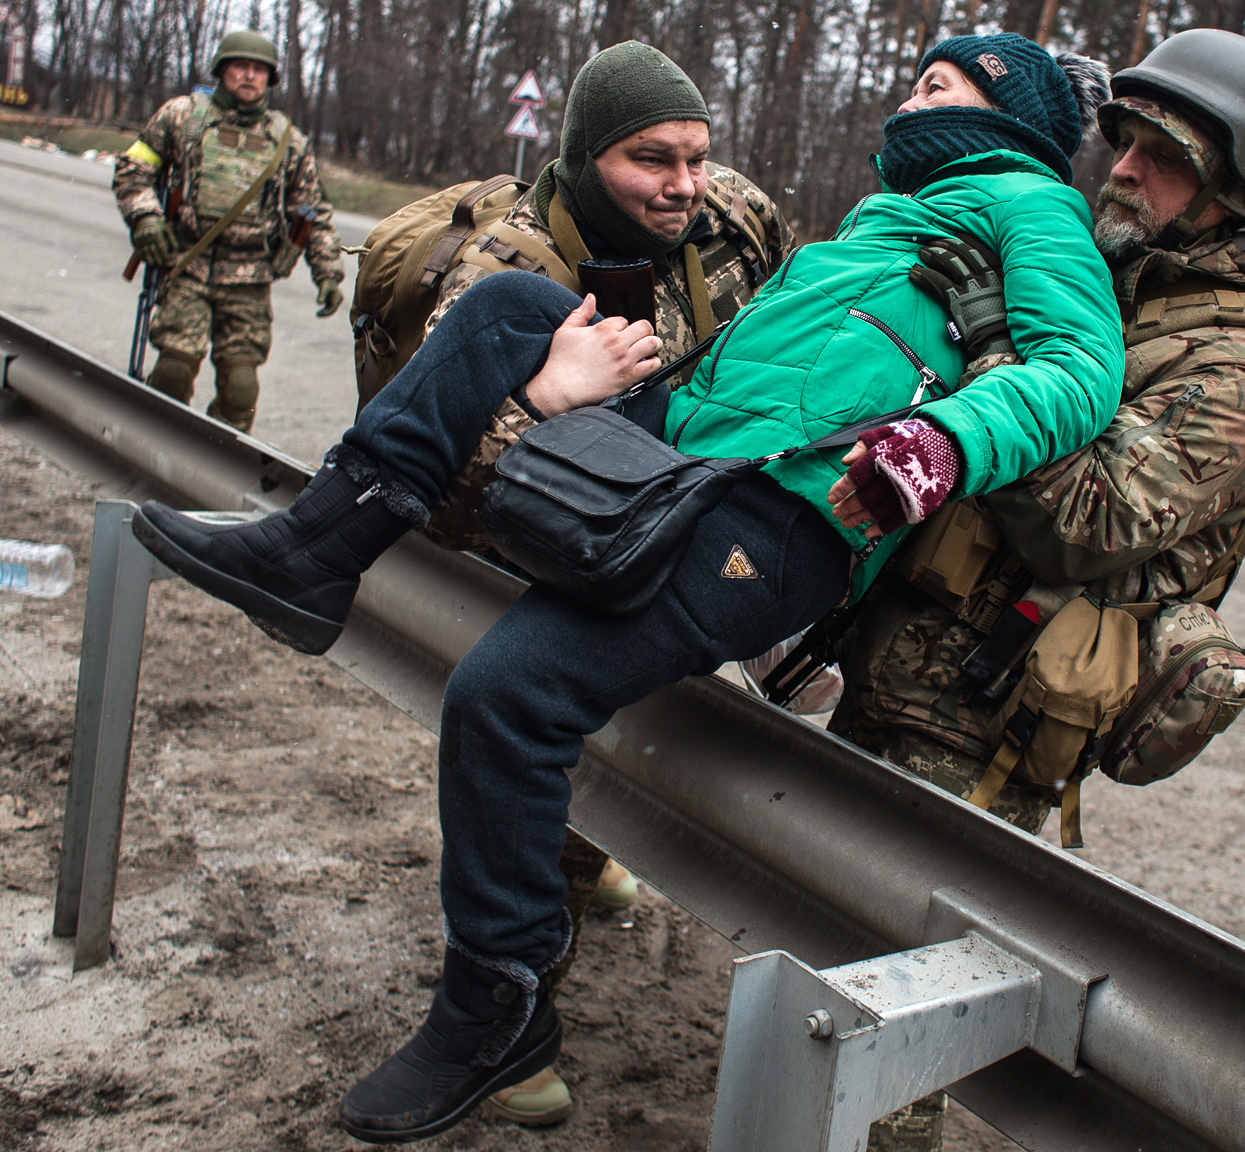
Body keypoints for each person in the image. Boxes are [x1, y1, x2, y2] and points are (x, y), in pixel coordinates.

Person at [130, 32, 1120, 1144]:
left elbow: (1079, 370)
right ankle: (314, 552)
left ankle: (493, 1010)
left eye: (935, 86)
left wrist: (933, 447)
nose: (907, 101)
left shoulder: (1029, 204)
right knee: (506, 308)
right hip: (693, 460)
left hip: (784, 513)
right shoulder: (893, 216)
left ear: (1008, 116)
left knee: (507, 694)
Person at [829, 32, 1245, 1148]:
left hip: (987, 714)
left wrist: (1001, 347)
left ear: (1230, 195)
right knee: (829, 954)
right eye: (1125, 142)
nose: (1124, 170)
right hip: (902, 659)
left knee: (894, 1015)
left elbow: (1090, 524)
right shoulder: (1108, 274)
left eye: (1164, 157)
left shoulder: (1238, 367)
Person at [401, 41, 793, 1129]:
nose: (680, 186)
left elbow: (804, 320)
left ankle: (582, 852)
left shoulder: (734, 220)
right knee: (522, 723)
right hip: (549, 537)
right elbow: (448, 466)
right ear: (582, 159)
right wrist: (550, 403)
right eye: (647, 160)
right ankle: (511, 1034)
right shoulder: (511, 267)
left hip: (683, 525)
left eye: (696, 157)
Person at [114, 29, 345, 433]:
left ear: (269, 79)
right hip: (187, 264)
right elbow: (134, 169)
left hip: (250, 278)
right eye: (240, 66)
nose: (249, 76)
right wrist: (146, 218)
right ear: (222, 70)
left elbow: (314, 213)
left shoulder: (288, 141)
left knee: (240, 389)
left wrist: (327, 274)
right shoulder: (182, 117)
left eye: (259, 70)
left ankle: (216, 467)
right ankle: (156, 451)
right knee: (172, 373)